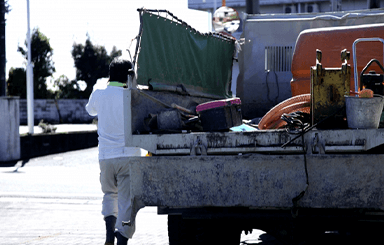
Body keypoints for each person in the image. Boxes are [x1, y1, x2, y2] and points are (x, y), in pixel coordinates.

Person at [85, 58, 146, 245]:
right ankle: (121, 241)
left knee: (109, 194)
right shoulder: (133, 96)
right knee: (127, 202)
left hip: (105, 157)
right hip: (129, 158)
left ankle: (109, 234)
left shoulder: (99, 93)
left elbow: (90, 111)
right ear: (130, 76)